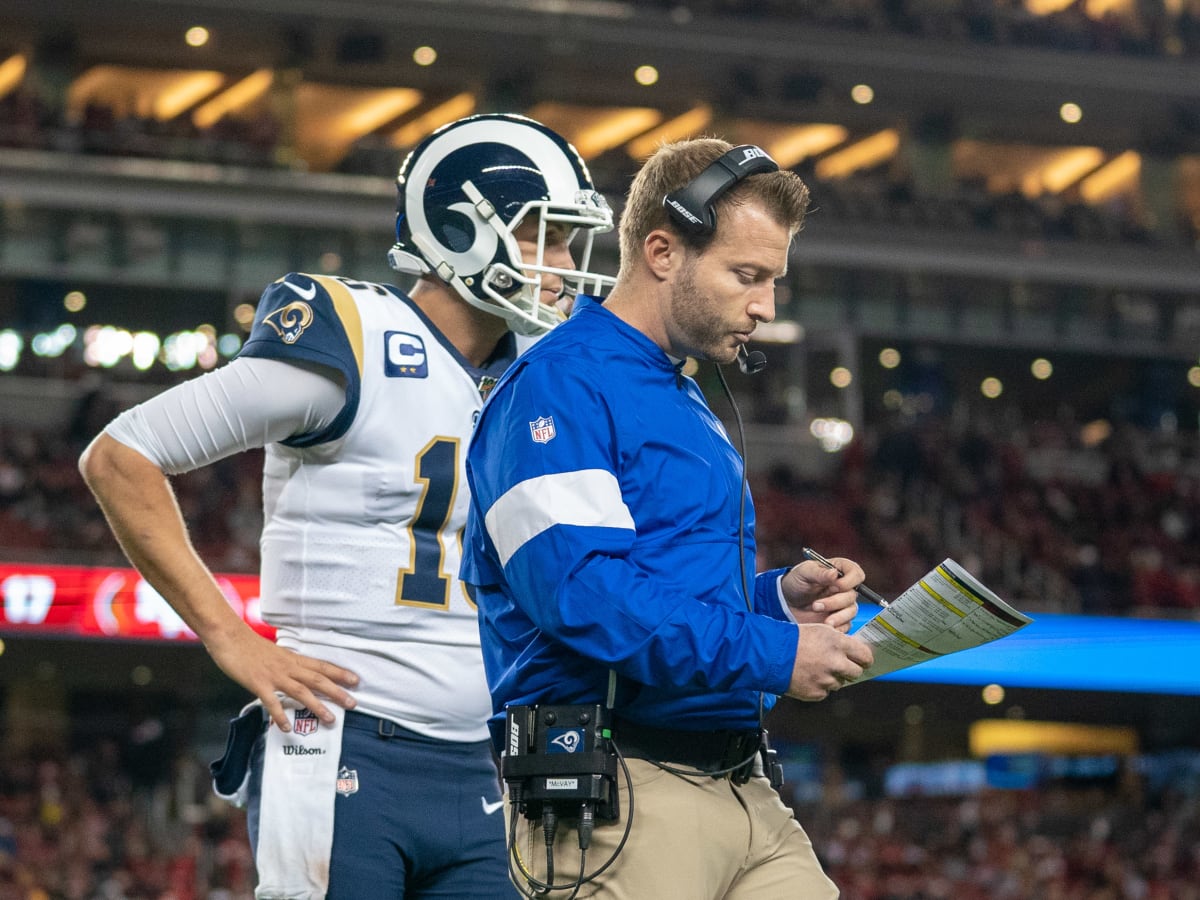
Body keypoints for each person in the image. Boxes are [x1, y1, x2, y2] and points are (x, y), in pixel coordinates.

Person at [78, 113, 615, 900]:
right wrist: (231, 640)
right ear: (462, 231)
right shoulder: (357, 336)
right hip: (346, 745)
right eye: (547, 238)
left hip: (485, 762)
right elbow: (121, 455)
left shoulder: (534, 379)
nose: (566, 267)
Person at [460, 137, 875, 899]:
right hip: (622, 793)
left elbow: (666, 585)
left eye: (773, 280)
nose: (766, 305)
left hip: (744, 785)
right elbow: (584, 598)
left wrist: (777, 599)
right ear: (661, 249)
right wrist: (773, 651)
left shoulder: (680, 393)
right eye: (746, 275)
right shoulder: (556, 386)